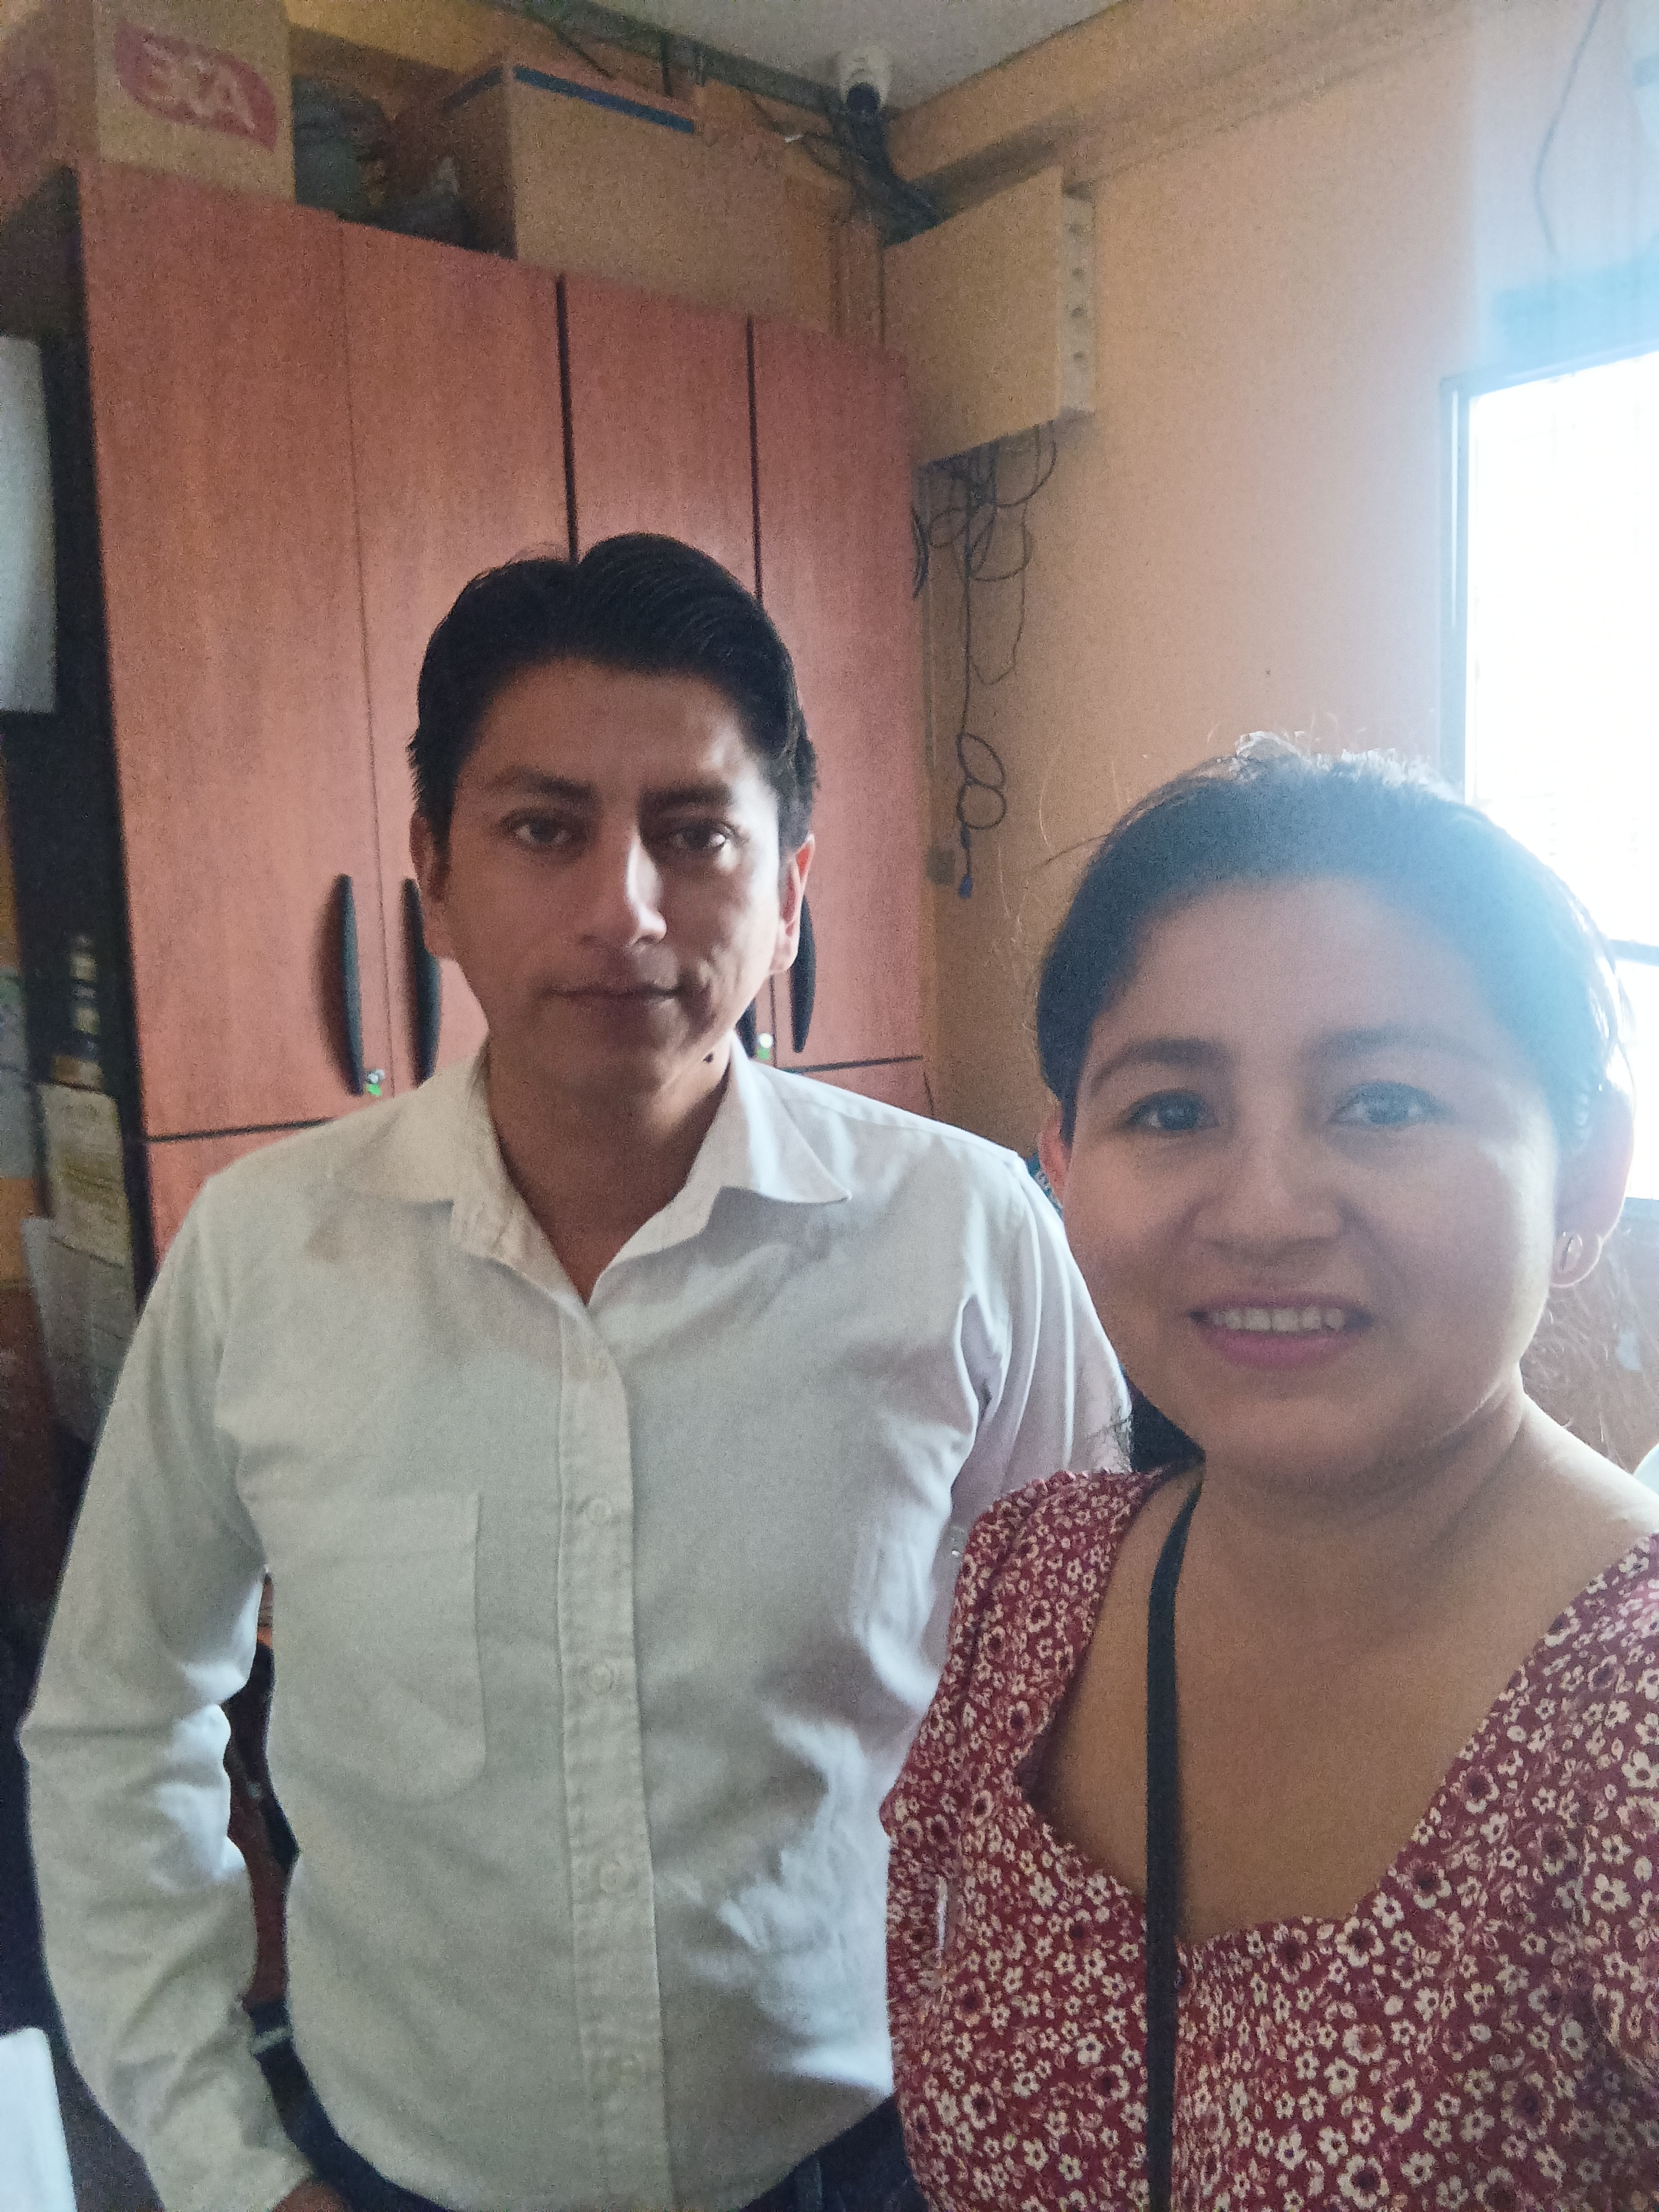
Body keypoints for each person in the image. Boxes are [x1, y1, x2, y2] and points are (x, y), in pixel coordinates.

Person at [22, 537, 1127, 2212]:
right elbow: (120, 1720)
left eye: (695, 833)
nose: (625, 908)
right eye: (544, 830)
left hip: (870, 2156)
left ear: (790, 887)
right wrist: (221, 2165)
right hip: (395, 2168)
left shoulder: (964, 1236)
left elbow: (1105, 1717)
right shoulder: (266, 1257)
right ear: (433, 876)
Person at [883, 739, 1659, 2210]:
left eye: (1384, 1103)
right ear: (1064, 1166)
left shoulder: (1626, 1723)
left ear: (1583, 1170)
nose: (1265, 1212)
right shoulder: (1037, 1581)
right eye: (1172, 1112)